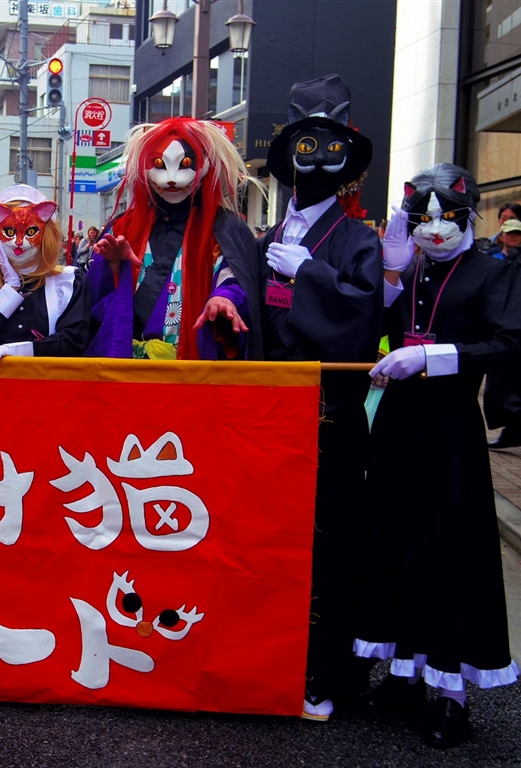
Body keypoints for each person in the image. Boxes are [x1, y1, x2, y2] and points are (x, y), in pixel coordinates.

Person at [358, 164, 520, 748]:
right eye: (420, 219)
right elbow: (376, 323)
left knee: (449, 547)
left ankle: (452, 695)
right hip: (399, 425)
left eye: (444, 218)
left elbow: (509, 343)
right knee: (397, 538)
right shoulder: (412, 266)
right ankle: (404, 677)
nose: (432, 229)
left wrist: (434, 357)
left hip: (451, 432)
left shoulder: (492, 271)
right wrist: (391, 275)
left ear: (467, 214)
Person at [259, 74, 384, 721]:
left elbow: (363, 316)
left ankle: (323, 671)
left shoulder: (359, 240)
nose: (314, 162)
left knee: (331, 543)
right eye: (304, 147)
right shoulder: (268, 235)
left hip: (330, 418)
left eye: (327, 147)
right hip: (272, 420)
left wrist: (307, 272)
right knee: (271, 539)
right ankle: (270, 660)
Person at [86, 117, 261, 361]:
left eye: (186, 164)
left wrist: (225, 298)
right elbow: (94, 300)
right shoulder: (125, 226)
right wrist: (114, 266)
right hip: (127, 365)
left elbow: (233, 279)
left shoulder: (225, 228)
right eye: (159, 164)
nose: (171, 179)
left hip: (192, 365)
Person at [0, 185, 91, 368]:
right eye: (10, 232)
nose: (19, 242)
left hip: (51, 383)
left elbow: (73, 342)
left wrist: (13, 351)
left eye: (31, 232)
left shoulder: (69, 281)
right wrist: (10, 290)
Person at [485, 218, 521, 449]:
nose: (514, 236)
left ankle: (513, 430)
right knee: (501, 383)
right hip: (498, 327)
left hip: (515, 326)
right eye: (510, 232)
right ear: (502, 234)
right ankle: (511, 431)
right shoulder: (492, 257)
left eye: (518, 233)